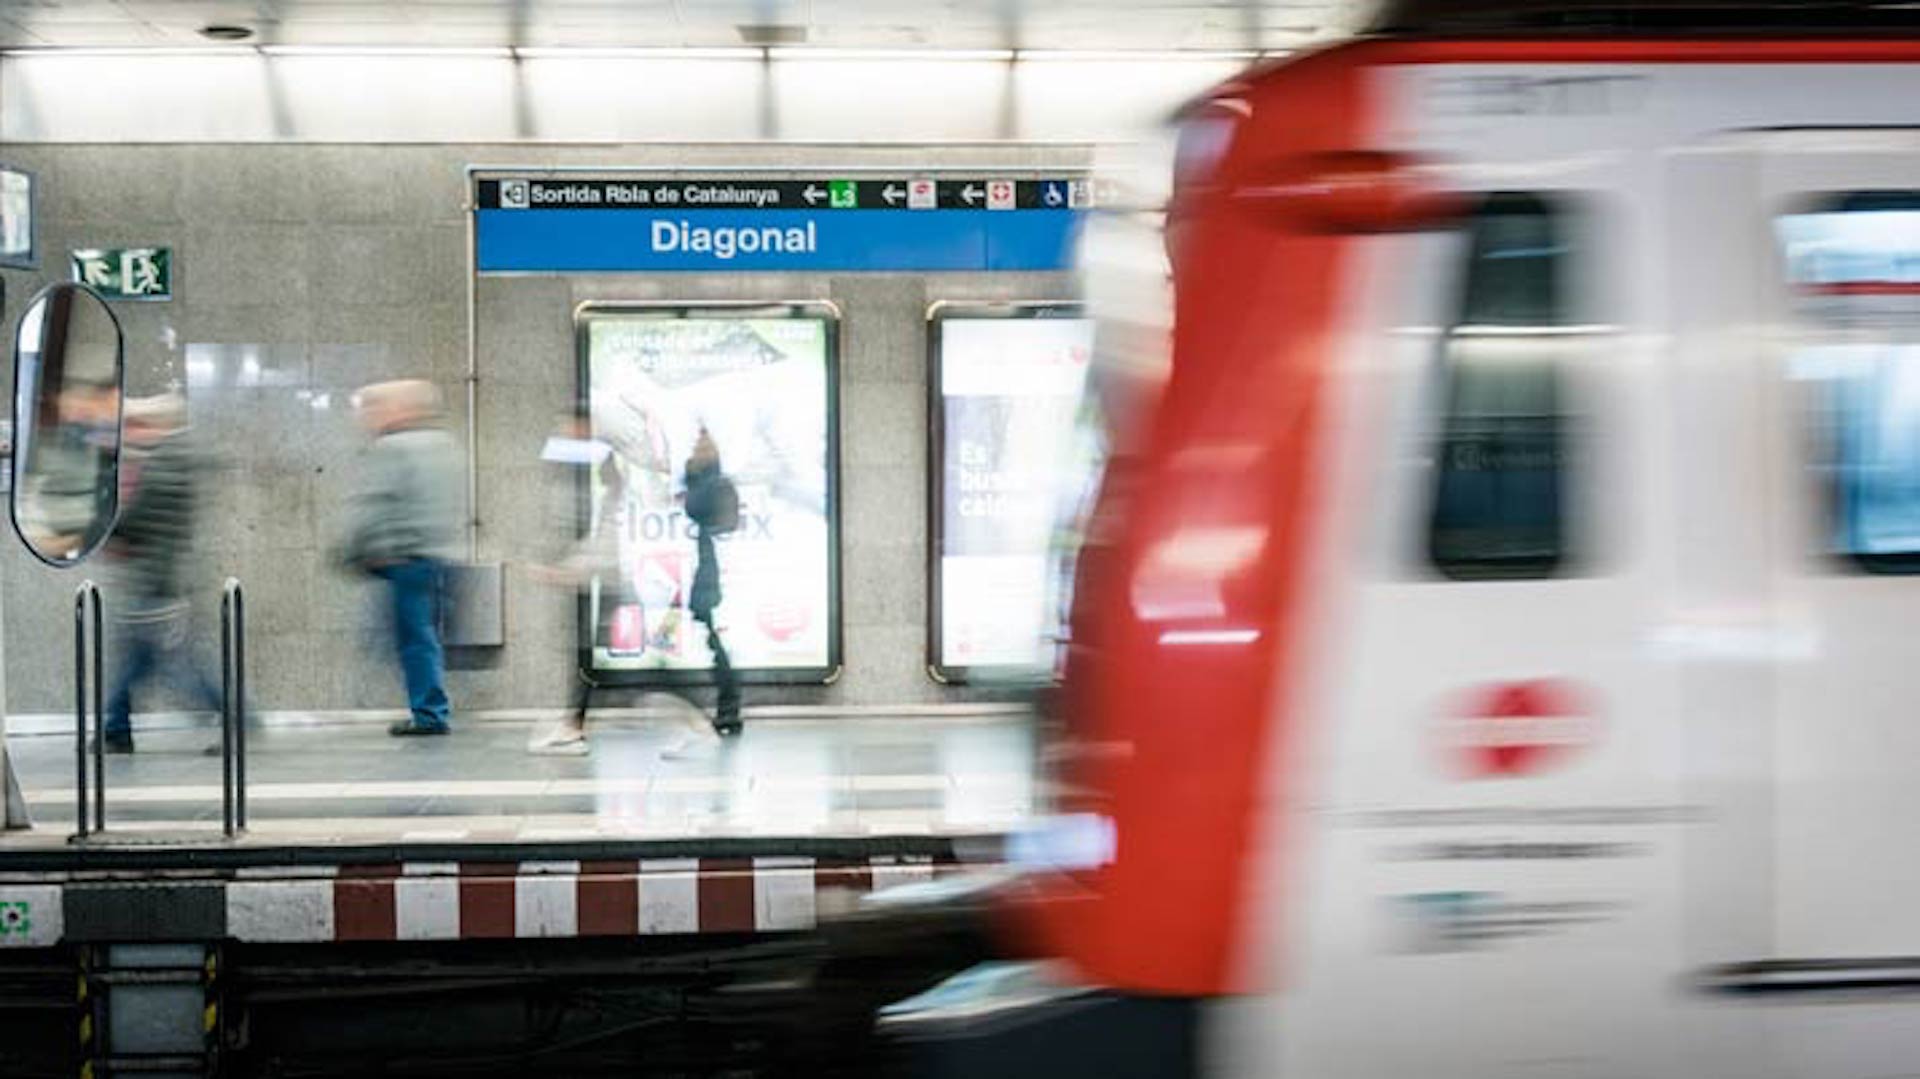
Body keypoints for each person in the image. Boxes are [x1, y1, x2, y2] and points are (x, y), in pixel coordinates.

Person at [339, 380, 461, 737]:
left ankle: (429, 715)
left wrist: (362, 550)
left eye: (377, 409)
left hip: (404, 558)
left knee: (414, 639)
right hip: (438, 555)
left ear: (400, 410)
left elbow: (375, 504)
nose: (370, 417)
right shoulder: (446, 445)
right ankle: (430, 709)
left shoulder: (391, 447)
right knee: (421, 636)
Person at [101, 393, 222, 754]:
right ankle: (116, 727)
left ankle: (235, 717)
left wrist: (109, 524)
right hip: (153, 578)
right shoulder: (169, 460)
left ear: (155, 426)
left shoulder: (165, 463)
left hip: (156, 582)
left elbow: (135, 518)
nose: (130, 434)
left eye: (135, 426)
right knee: (137, 662)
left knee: (179, 669)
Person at [683, 428, 742, 736]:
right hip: (707, 573)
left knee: (715, 644)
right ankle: (727, 709)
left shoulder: (714, 486)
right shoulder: (711, 484)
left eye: (701, 446)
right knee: (713, 644)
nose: (696, 450)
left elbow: (699, 510)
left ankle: (729, 709)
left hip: (712, 575)